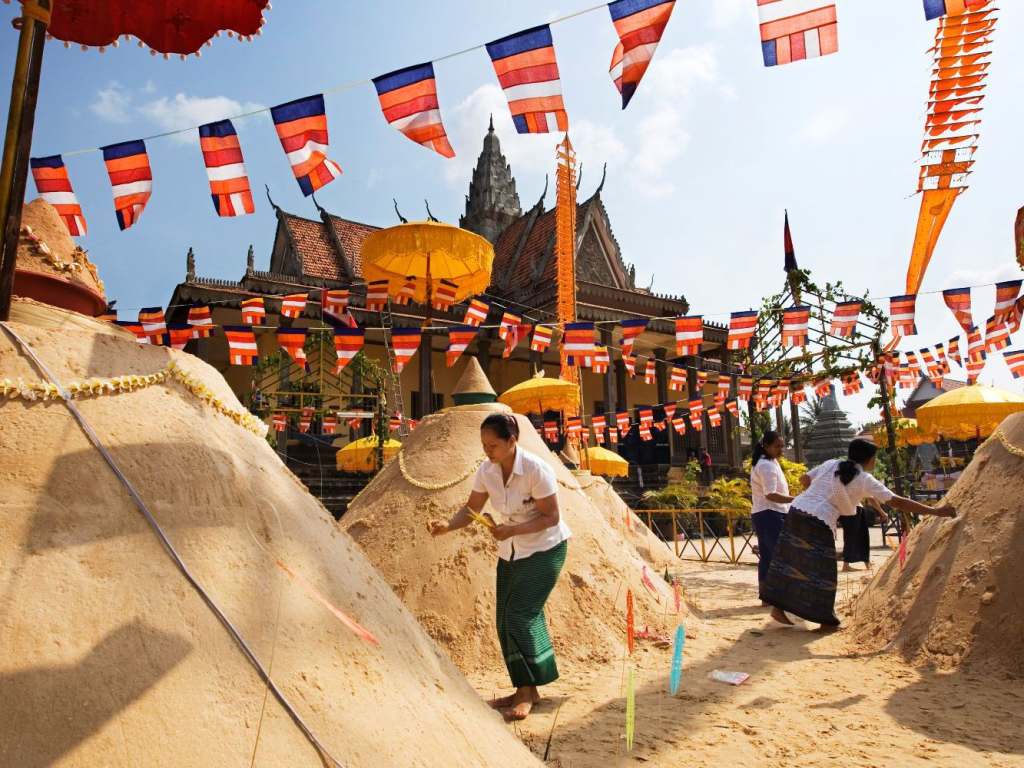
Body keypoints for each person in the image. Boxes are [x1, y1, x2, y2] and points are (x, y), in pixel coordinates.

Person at [428, 413, 571, 721]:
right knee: (503, 618)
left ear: (512, 441)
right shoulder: (486, 471)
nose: (487, 451)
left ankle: (527, 691)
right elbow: (471, 510)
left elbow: (552, 517)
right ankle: (525, 689)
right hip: (510, 550)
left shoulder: (536, 469)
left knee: (520, 613)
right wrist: (447, 526)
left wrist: (512, 530)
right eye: (483, 445)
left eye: (493, 445)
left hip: (546, 548)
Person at [763, 438, 955, 630]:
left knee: (789, 560)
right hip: (818, 519)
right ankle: (824, 621)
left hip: (796, 510)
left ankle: (778, 609)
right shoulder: (864, 479)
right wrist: (936, 511)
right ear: (869, 459)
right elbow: (897, 502)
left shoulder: (832, 464)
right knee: (823, 571)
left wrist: (815, 495)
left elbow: (804, 479)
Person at [749, 431, 794, 600]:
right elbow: (770, 494)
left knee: (770, 555)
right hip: (769, 513)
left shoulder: (770, 462)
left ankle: (769, 594)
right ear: (766, 446)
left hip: (774, 512)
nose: (781, 449)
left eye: (782, 446)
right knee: (773, 555)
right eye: (777, 446)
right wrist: (795, 499)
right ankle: (771, 595)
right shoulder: (765, 465)